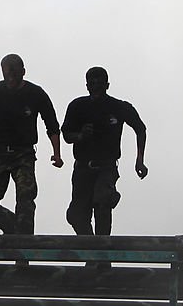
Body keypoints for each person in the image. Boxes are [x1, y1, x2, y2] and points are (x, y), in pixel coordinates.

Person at [0, 54, 63, 235]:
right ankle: (17, 232)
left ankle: (23, 251)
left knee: (25, 199)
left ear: (23, 72)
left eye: (15, 74)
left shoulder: (36, 94)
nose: (11, 78)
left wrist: (57, 154)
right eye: (7, 74)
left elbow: (52, 126)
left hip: (23, 154)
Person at [61, 66, 147, 239]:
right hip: (82, 169)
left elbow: (140, 129)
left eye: (100, 82)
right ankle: (92, 250)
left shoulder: (119, 107)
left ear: (107, 85)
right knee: (76, 215)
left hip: (106, 168)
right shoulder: (77, 106)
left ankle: (102, 254)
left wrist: (139, 160)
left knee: (102, 203)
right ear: (86, 85)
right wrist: (80, 135)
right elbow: (66, 134)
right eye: (92, 83)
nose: (96, 86)